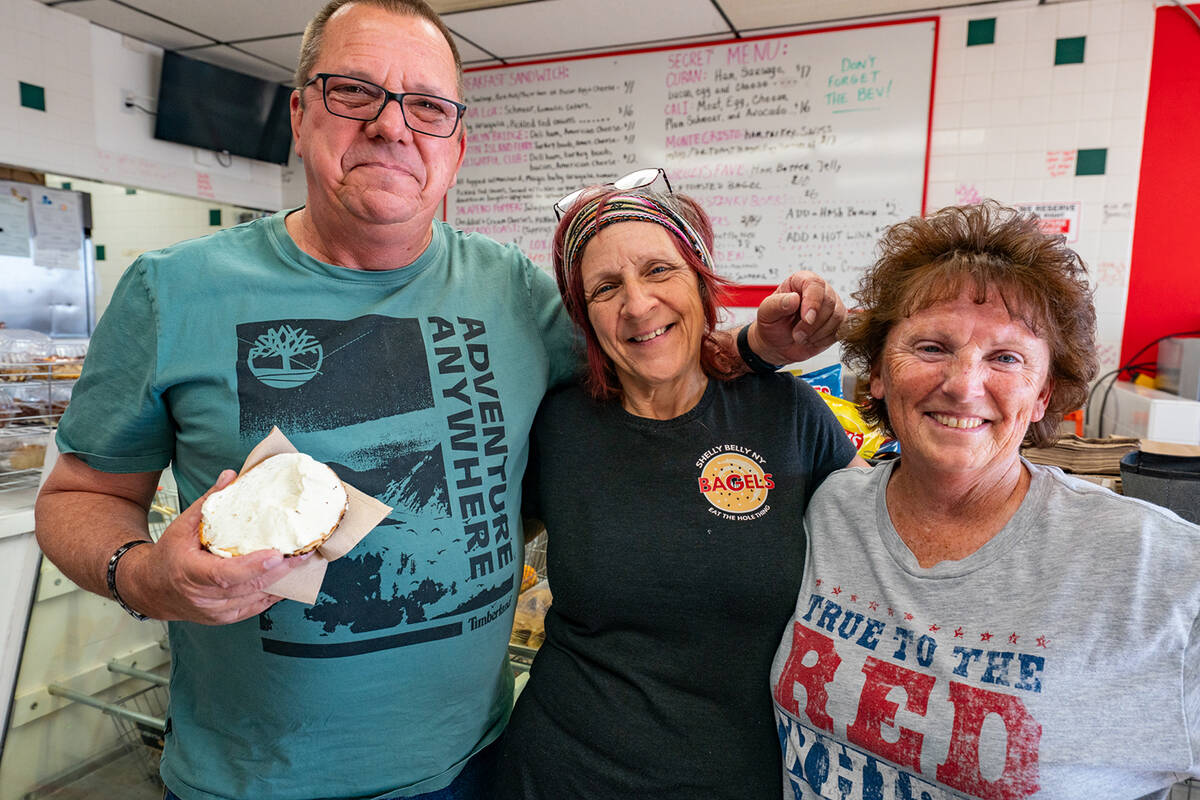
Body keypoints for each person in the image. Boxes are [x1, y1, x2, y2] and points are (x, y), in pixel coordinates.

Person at [33, 2, 847, 799]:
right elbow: (77, 496)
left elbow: (648, 352)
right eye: (354, 91)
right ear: (300, 114)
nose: (391, 126)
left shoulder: (518, 294)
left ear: (456, 146)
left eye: (426, 106)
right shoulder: (172, 291)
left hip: (479, 763)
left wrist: (753, 347)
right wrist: (143, 577)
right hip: (255, 781)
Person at [770, 201, 1200, 799]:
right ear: (878, 375)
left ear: (1044, 394)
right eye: (931, 348)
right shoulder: (829, 510)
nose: (964, 384)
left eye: (1006, 358)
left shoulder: (1161, 573)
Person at [493, 185, 866, 799]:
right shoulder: (555, 424)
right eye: (605, 288)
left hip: (741, 780)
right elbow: (484, 546)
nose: (638, 304)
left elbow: (885, 549)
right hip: (557, 774)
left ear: (700, 280)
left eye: (659, 270)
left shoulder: (788, 413)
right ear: (584, 317)